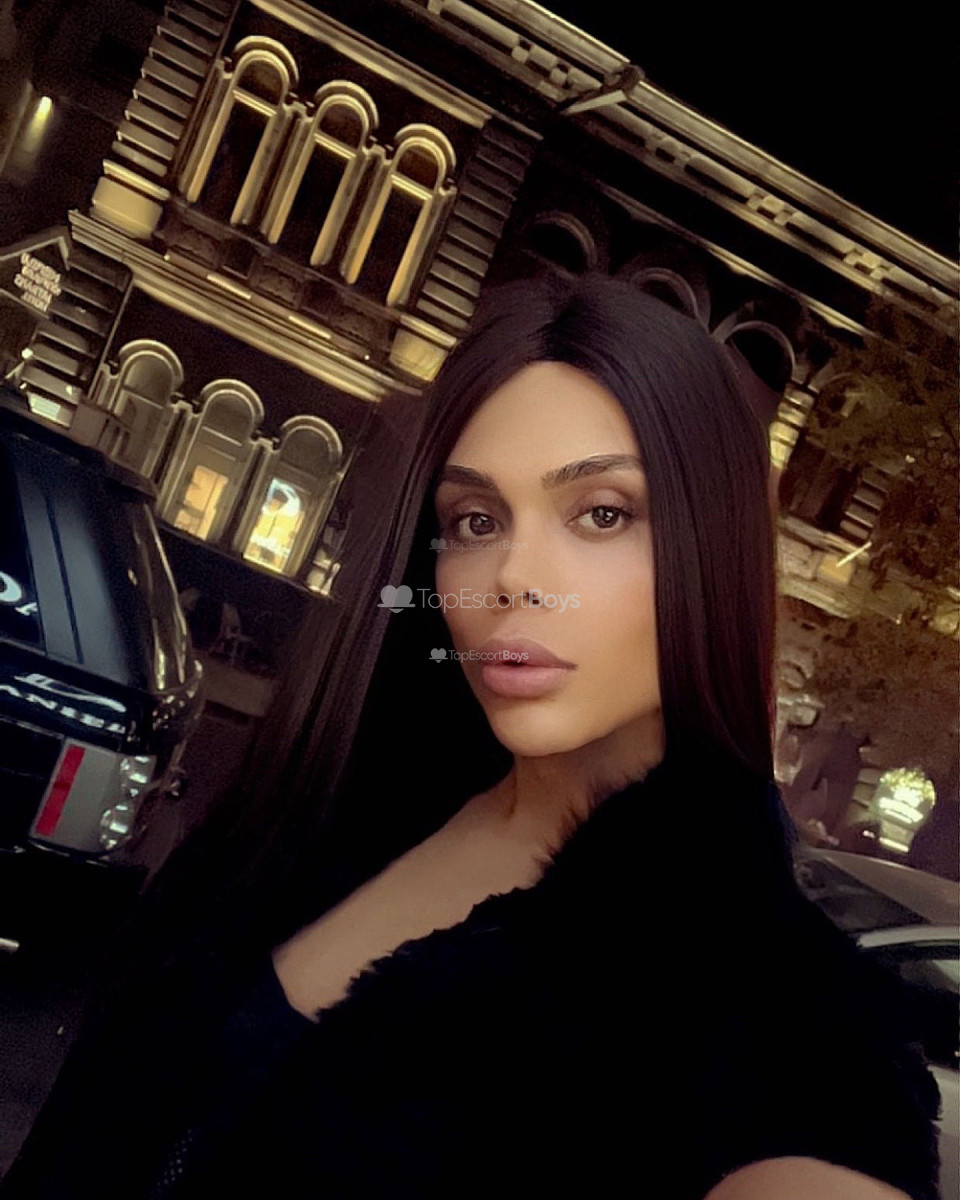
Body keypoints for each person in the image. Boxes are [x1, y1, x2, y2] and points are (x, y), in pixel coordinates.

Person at [0, 273, 941, 1199]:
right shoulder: (329, 802)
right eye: (476, 520)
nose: (512, 576)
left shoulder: (774, 1009)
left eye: (602, 513)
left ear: (715, 548)